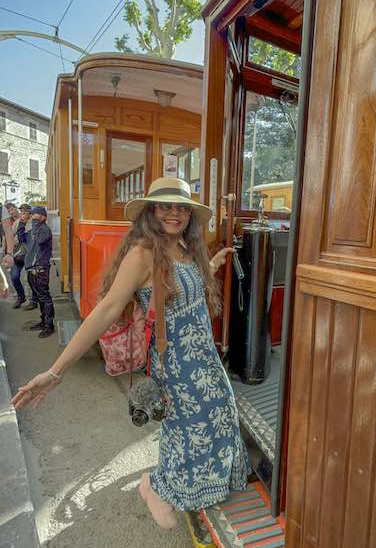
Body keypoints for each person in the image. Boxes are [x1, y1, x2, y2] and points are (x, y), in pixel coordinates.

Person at [12, 177, 250, 529]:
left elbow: (184, 285)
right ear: (151, 211)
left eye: (182, 207)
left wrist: (211, 265)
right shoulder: (143, 254)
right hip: (176, 364)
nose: (175, 213)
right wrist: (55, 372)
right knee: (188, 428)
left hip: (204, 357)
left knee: (222, 417)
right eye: (166, 206)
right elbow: (107, 310)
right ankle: (156, 487)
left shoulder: (186, 247)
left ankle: (195, 486)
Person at [24, 206, 55, 338]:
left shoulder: (45, 230)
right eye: (33, 215)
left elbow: (40, 240)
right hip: (32, 268)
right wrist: (21, 222)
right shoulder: (35, 229)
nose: (34, 217)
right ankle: (43, 321)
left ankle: (49, 325)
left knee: (44, 296)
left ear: (43, 217)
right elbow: (23, 239)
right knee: (39, 295)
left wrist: (35, 223)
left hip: (41, 268)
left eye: (37, 215)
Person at [9, 204, 37, 309]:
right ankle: (21, 297)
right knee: (14, 277)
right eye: (21, 212)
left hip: (30, 255)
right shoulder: (17, 223)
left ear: (30, 213)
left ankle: (33, 300)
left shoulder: (34, 223)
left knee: (29, 279)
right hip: (18, 254)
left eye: (24, 212)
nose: (22, 214)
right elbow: (11, 236)